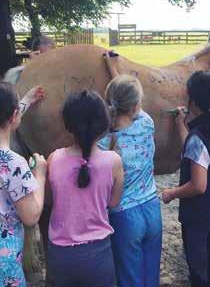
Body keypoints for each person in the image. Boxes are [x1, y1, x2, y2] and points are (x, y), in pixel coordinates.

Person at [162, 70, 210, 287]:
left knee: (199, 274)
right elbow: (197, 153)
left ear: (192, 101)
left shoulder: (198, 136)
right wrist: (181, 125)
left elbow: (198, 185)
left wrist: (171, 193)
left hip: (199, 220)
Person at [46, 90, 124, 287]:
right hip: (98, 254)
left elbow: (51, 199)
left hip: (60, 256)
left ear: (68, 125)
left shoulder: (54, 158)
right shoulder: (113, 161)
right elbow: (113, 203)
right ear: (103, 124)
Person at [98, 74, 162, 287]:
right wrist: (114, 69)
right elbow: (128, 102)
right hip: (152, 209)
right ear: (136, 106)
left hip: (124, 216)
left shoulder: (103, 143)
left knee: (128, 278)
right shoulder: (147, 124)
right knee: (150, 275)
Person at [0, 82, 47, 287]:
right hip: (5, 262)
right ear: (14, 116)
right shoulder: (13, 163)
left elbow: (8, 114)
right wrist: (40, 174)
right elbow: (31, 216)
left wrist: (26, 101)